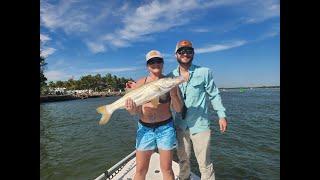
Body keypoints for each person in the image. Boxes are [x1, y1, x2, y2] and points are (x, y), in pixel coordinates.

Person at [167, 40, 228, 180]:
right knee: (183, 160)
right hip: (180, 126)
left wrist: (221, 115)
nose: (185, 54)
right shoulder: (170, 76)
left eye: (189, 50)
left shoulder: (204, 72)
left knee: (205, 164)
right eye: (181, 51)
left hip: (200, 125)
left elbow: (214, 94)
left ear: (193, 53)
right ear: (176, 54)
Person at [124, 50, 183, 180]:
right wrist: (131, 109)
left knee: (167, 169)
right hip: (144, 128)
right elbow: (135, 112)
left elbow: (178, 110)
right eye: (151, 62)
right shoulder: (139, 83)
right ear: (147, 65)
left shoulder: (169, 81)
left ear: (163, 63)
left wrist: (173, 94)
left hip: (165, 128)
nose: (155, 64)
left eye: (158, 61)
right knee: (140, 170)